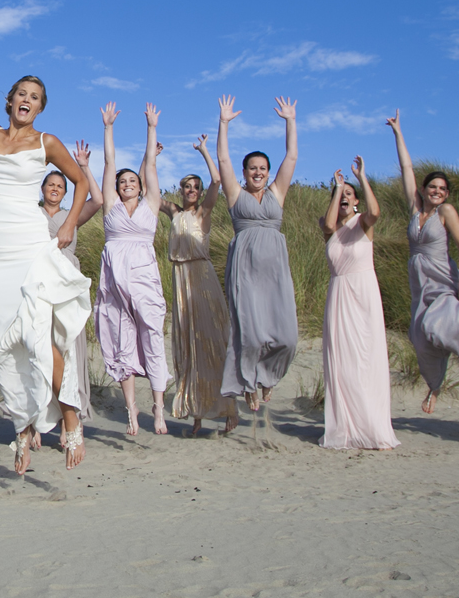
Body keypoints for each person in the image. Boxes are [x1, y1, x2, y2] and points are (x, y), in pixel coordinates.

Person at [0, 27, 91, 474]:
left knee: (39, 335)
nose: (27, 100)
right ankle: (24, 427)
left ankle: (70, 417)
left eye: (35, 97)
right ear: (10, 101)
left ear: (40, 108)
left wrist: (67, 222)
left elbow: (83, 183)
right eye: (21, 94)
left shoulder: (46, 142)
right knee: (0, 343)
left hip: (30, 243)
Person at [217, 95, 299, 411]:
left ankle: (267, 376)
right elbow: (223, 160)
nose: (259, 172)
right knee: (249, 335)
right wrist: (223, 123)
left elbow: (291, 157)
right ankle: (249, 384)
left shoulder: (277, 192)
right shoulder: (236, 194)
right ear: (245, 170)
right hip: (245, 269)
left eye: (263, 168)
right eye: (253, 168)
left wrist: (290, 121)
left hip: (275, 269)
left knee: (287, 336)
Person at [94, 101, 171, 436]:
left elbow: (150, 164)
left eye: (132, 180)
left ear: (140, 186)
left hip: (143, 277)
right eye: (123, 181)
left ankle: (158, 407)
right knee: (121, 338)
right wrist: (108, 127)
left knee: (152, 334)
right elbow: (109, 162)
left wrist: (151, 127)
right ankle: (131, 410)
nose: (127, 182)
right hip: (114, 279)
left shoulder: (150, 205)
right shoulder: (110, 205)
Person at [156, 135, 239, 434]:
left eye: (195, 187)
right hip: (181, 281)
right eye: (186, 187)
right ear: (180, 191)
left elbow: (217, 181)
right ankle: (196, 415)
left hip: (202, 280)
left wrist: (205, 150)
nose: (191, 191)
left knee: (212, 343)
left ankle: (230, 409)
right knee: (189, 346)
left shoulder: (203, 212)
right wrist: (152, 157)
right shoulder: (174, 213)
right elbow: (149, 191)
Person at [319, 158, 400, 449]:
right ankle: (346, 427)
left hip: (363, 294)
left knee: (365, 360)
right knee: (341, 363)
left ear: (356, 202)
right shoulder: (327, 225)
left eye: (349, 196)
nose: (344, 199)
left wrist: (361, 178)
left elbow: (376, 211)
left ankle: (373, 426)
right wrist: (339, 187)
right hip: (338, 295)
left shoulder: (363, 222)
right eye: (340, 197)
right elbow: (329, 224)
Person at [387, 110, 459, 415]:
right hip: (419, 285)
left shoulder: (446, 212)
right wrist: (398, 132)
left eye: (443, 189)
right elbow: (407, 168)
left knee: (437, 326)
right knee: (420, 339)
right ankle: (434, 387)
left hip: (442, 280)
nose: (438, 192)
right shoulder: (417, 210)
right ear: (425, 190)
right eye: (434, 187)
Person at [39, 142, 102, 444]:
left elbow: (98, 200)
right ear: (42, 189)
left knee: (69, 347)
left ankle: (70, 420)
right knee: (41, 348)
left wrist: (84, 167)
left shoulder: (72, 214)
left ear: (66, 192)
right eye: (50, 184)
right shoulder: (31, 214)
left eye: (60, 186)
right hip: (40, 283)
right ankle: (35, 420)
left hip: (69, 283)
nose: (55, 189)